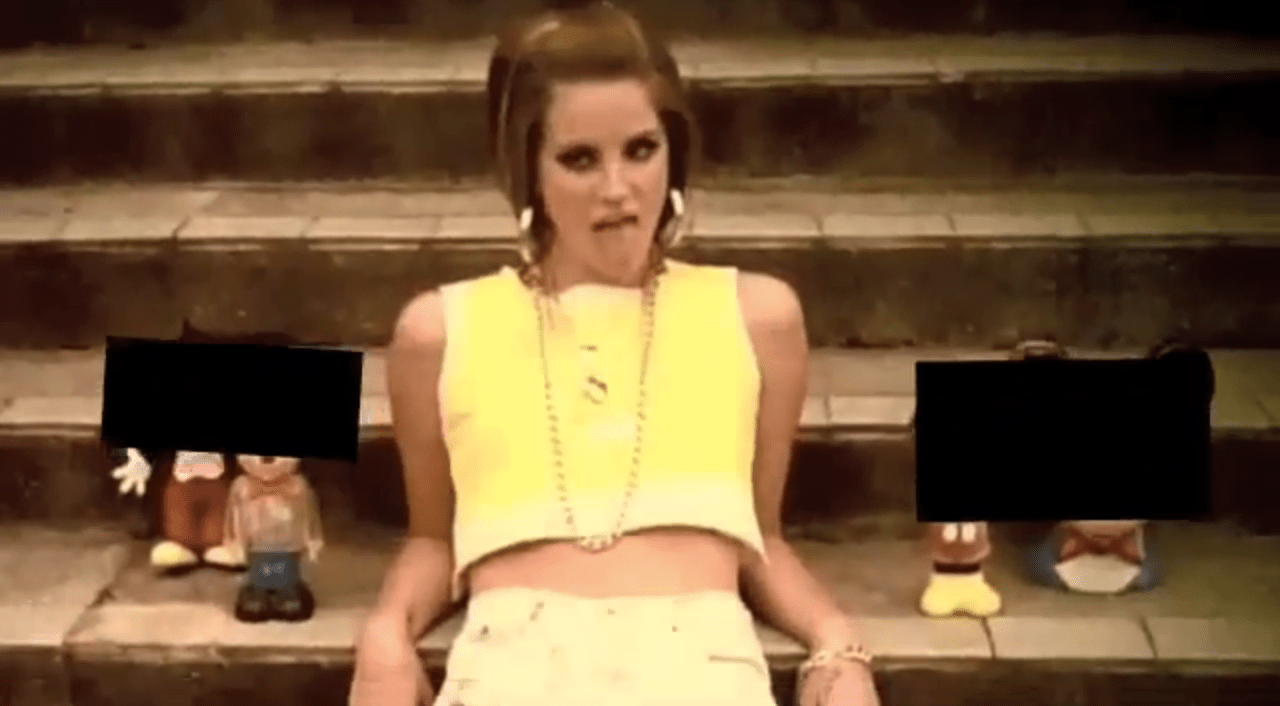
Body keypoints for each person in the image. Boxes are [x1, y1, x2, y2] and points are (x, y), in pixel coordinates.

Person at [348, 3, 881, 705]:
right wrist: (384, 636)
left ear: (674, 151)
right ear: (527, 169)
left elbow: (760, 540)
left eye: (640, 149)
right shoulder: (440, 332)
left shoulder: (758, 317)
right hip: (513, 667)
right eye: (579, 159)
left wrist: (837, 645)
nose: (617, 189)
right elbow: (433, 542)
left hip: (699, 668)